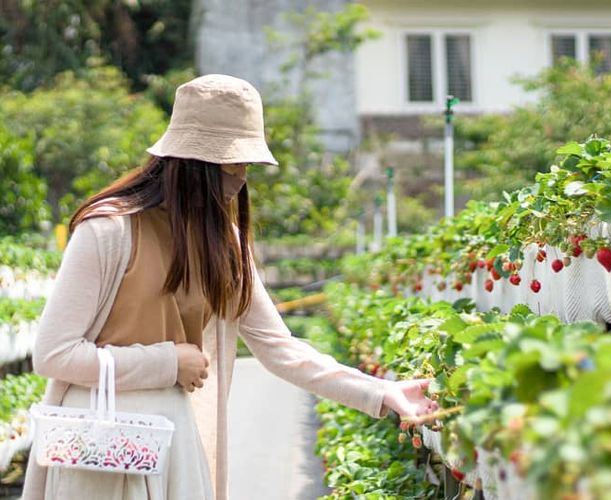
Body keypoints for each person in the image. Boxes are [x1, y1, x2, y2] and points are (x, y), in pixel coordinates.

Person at [22, 74, 438, 500]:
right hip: (95, 445)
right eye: (232, 164)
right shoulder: (108, 231)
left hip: (174, 444)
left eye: (246, 165)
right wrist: (168, 362)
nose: (240, 179)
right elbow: (54, 354)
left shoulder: (224, 244)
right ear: (192, 163)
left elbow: (281, 349)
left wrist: (382, 392)